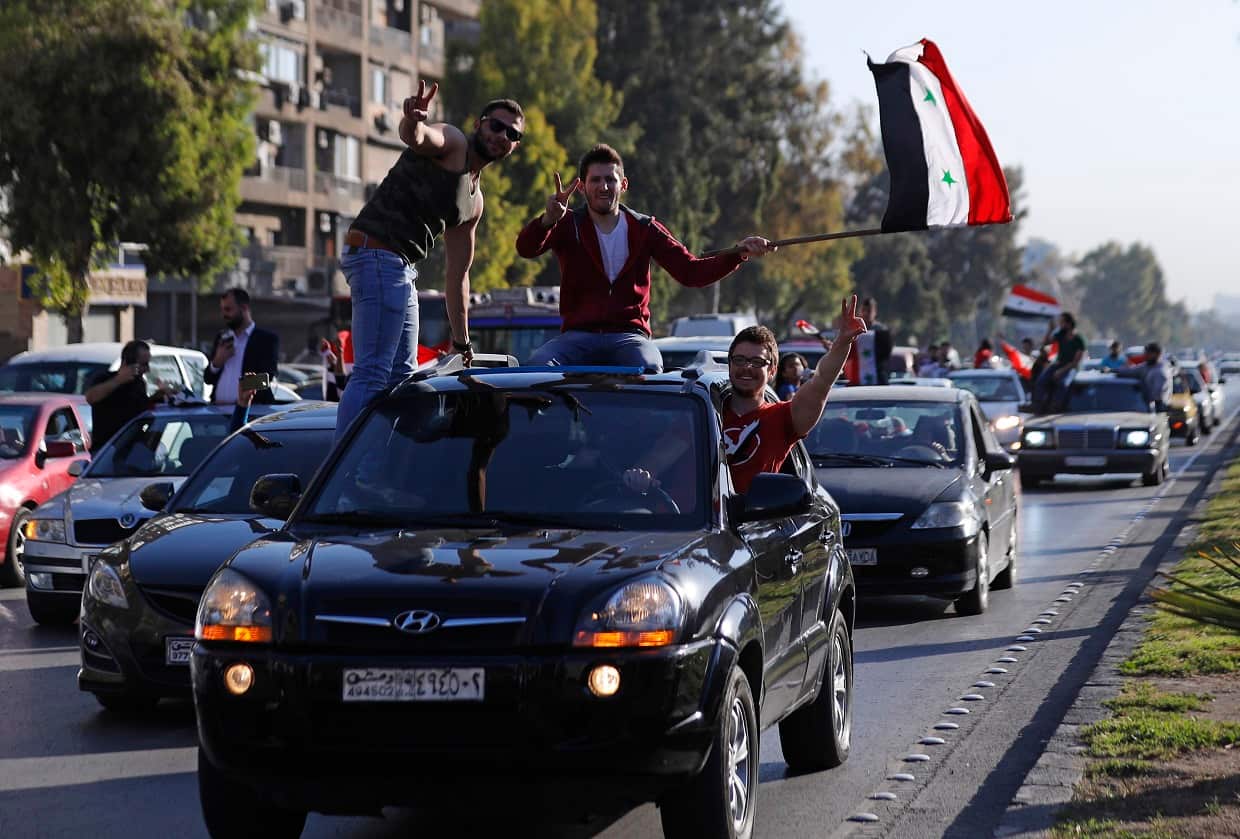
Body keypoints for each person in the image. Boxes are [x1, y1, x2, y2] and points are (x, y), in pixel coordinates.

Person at [335, 83, 525, 441]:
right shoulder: (453, 143)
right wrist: (412, 120)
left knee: (401, 378)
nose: (502, 135)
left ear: (514, 146)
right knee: (373, 373)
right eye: (496, 126)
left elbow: (458, 276)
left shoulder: (475, 200)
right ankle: (337, 472)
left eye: (512, 134)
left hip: (400, 267)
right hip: (377, 252)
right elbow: (420, 137)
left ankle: (379, 466)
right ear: (479, 124)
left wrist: (463, 343)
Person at [516, 144, 774, 370]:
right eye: (595, 180)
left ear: (623, 184)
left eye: (611, 179)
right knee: (538, 367)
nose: (603, 187)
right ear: (582, 187)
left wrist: (737, 253)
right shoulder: (566, 224)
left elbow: (690, 272)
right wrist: (547, 219)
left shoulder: (645, 228)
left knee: (649, 367)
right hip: (577, 336)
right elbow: (526, 249)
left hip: (629, 336)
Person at [722, 298, 867, 494]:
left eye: (757, 361)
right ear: (729, 364)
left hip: (752, 522)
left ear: (773, 370)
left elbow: (822, 380)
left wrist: (842, 342)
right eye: (739, 360)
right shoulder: (703, 414)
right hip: (694, 521)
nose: (747, 367)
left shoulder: (783, 419)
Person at [84, 340, 176, 453]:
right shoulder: (105, 379)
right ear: (128, 363)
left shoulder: (138, 385)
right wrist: (119, 380)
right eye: (143, 364)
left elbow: (138, 409)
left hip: (132, 450)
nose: (147, 369)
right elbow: (91, 397)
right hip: (106, 451)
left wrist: (158, 396)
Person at [205, 288, 280, 406]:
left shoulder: (266, 339)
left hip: (252, 413)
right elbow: (208, 379)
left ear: (244, 308)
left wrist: (241, 395)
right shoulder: (222, 338)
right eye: (222, 310)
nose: (224, 314)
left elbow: (266, 378)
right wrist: (217, 363)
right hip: (218, 415)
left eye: (228, 309)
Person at [1032, 312, 1085, 412]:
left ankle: (1056, 406)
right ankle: (1037, 404)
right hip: (1059, 364)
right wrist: (1050, 329)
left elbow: (1075, 362)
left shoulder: (1079, 340)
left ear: (1069, 324)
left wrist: (1061, 371)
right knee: (1041, 380)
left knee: (1063, 383)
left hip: (1071, 368)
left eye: (1062, 322)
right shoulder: (1060, 335)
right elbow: (1046, 344)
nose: (1060, 325)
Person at [1114, 341, 1172, 412]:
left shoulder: (1161, 372)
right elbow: (1130, 371)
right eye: (1145, 353)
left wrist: (1141, 388)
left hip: (1158, 409)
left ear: (1157, 354)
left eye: (1148, 353)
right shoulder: (1146, 366)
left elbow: (1156, 396)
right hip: (1143, 407)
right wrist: (1113, 370)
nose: (1145, 355)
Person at [856, 297, 893, 384]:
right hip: (857, 375)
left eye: (869, 310)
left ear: (874, 312)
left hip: (878, 375)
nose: (866, 313)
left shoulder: (881, 330)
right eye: (863, 310)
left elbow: (886, 353)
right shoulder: (855, 330)